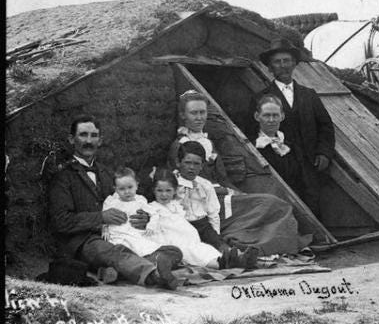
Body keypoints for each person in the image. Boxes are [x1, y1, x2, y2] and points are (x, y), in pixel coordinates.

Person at [167, 90, 310, 256]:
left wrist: (234, 190)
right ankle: (252, 246)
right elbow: (187, 183)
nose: (199, 117)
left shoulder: (208, 141)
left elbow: (222, 177)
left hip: (222, 195)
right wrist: (227, 191)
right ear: (183, 116)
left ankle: (268, 243)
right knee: (272, 204)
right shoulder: (180, 146)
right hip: (203, 202)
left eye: (202, 112)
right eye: (194, 113)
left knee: (274, 203)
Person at [48, 115, 182, 290]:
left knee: (174, 251)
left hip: (120, 235)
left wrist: (144, 219)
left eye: (94, 136)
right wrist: (101, 217)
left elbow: (127, 201)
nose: (89, 141)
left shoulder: (106, 173)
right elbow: (61, 221)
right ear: (72, 139)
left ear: (100, 140)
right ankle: (153, 274)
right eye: (83, 135)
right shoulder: (63, 176)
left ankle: (119, 269)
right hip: (84, 241)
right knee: (112, 251)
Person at [250, 38, 336, 218]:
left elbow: (325, 126)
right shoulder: (261, 97)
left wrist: (324, 153)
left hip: (309, 162)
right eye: (277, 62)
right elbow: (252, 131)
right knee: (285, 205)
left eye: (287, 61)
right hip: (280, 163)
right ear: (270, 68)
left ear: (294, 64)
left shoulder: (309, 95)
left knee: (312, 203)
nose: (283, 66)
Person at [173, 143, 259, 269]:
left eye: (196, 164)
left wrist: (215, 234)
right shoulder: (171, 183)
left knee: (217, 242)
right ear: (178, 162)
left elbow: (213, 212)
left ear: (202, 165)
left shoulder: (205, 185)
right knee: (196, 248)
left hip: (202, 224)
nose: (191, 168)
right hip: (182, 225)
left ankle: (239, 257)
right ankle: (223, 261)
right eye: (187, 162)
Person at [146, 168, 243, 269]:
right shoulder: (152, 208)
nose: (164, 194)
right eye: (159, 190)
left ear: (175, 190)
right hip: (172, 241)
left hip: (189, 240)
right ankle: (222, 264)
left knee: (205, 249)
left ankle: (229, 259)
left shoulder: (176, 205)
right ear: (154, 190)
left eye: (168, 190)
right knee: (192, 253)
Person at [251, 94, 304, 196]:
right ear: (257, 116)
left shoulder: (291, 146)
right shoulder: (254, 146)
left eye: (275, 115)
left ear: (282, 116)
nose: (271, 120)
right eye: (266, 115)